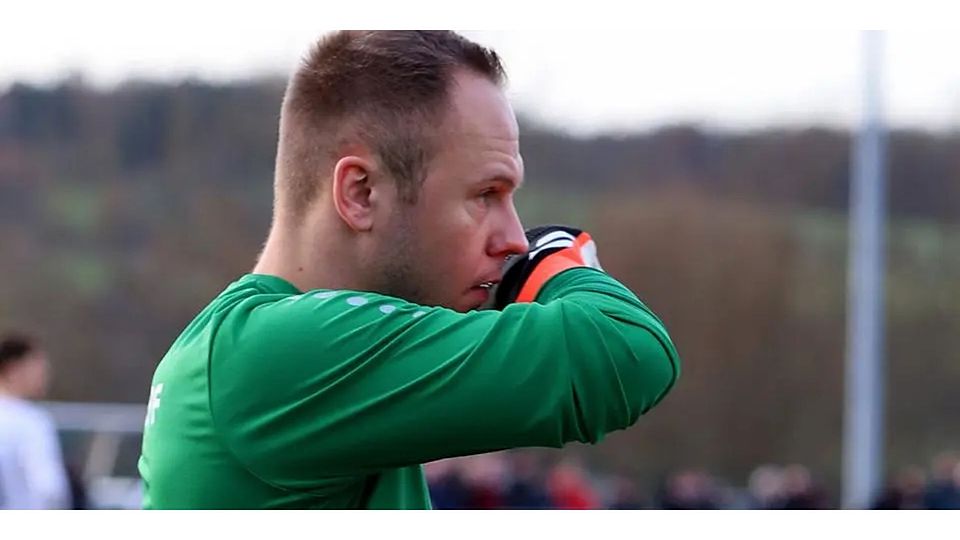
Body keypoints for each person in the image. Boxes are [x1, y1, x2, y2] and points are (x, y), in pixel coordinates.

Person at [138, 30, 681, 509]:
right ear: (361, 192)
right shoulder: (283, 354)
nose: (515, 238)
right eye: (485, 195)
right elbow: (626, 350)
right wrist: (557, 263)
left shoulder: (250, 344)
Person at [0, 332, 71, 509]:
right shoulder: (29, 422)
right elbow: (50, 490)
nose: (45, 374)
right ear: (14, 368)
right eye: (37, 366)